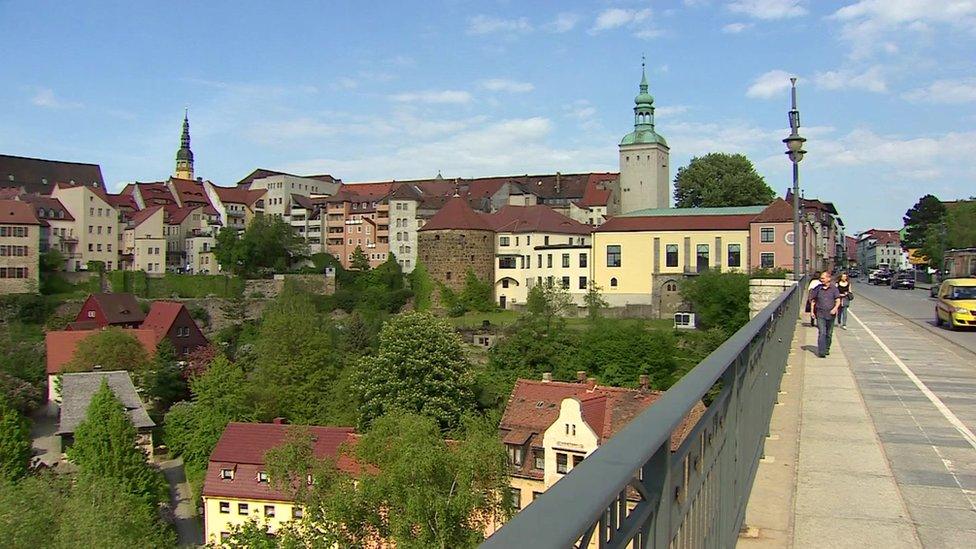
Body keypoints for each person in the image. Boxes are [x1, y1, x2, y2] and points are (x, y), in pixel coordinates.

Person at [809, 271, 841, 358]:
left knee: (829, 333)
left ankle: (827, 348)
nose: (821, 280)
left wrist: (835, 309)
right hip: (820, 313)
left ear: (828, 279)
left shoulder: (834, 289)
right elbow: (813, 301)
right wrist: (812, 312)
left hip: (831, 314)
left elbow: (838, 300)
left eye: (823, 278)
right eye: (821, 278)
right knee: (822, 332)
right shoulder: (818, 289)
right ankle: (821, 351)